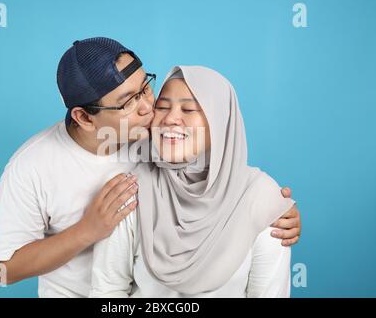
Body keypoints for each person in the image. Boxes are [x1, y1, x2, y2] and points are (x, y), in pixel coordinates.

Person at [0, 37, 301, 298]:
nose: (148, 108)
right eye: (127, 102)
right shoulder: (31, 166)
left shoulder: (153, 133)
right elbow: (4, 270)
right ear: (84, 117)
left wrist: (270, 208)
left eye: (146, 87)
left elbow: (216, 157)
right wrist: (87, 231)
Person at [90, 66, 297, 297]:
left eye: (189, 109)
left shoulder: (260, 197)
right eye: (162, 107)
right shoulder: (130, 190)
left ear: (220, 122)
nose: (170, 119)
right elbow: (107, 291)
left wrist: (273, 203)